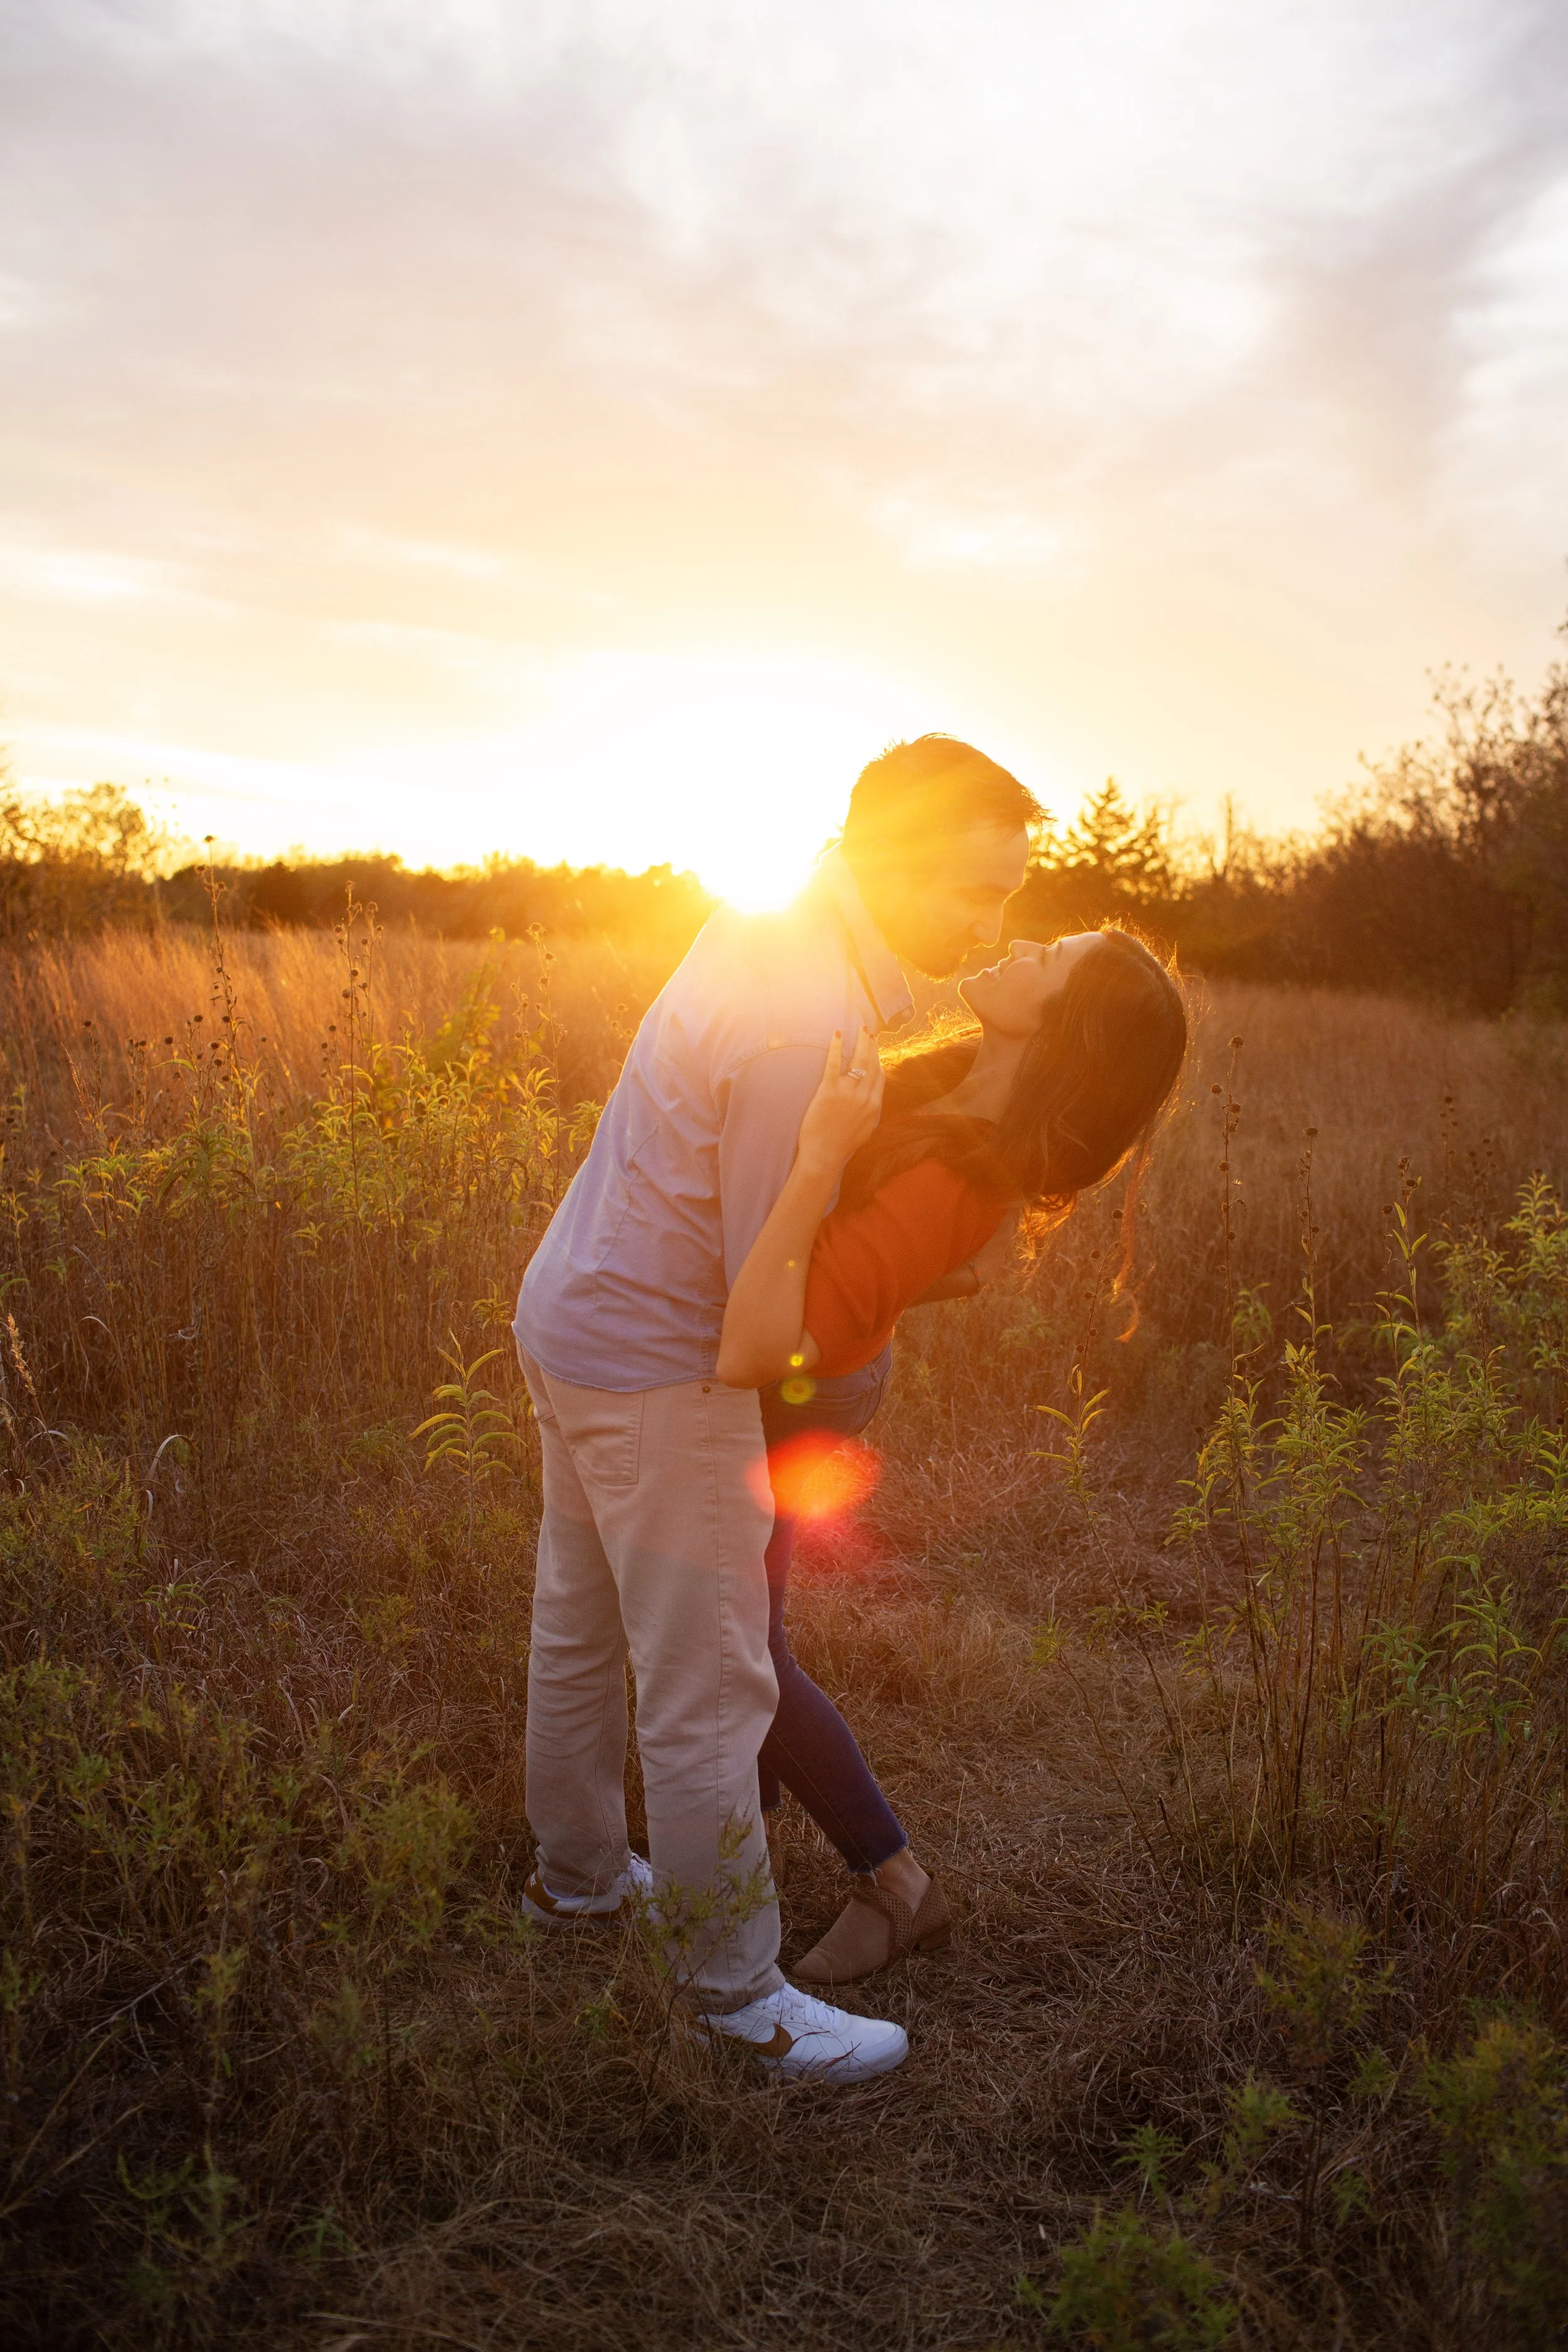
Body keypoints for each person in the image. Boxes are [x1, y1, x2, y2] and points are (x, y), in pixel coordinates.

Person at [511, 735, 1040, 2084]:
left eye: (1008, 901)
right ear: (885, 856)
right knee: (711, 1683)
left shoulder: (773, 927)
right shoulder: (810, 1016)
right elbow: (768, 1293)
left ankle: (577, 1880)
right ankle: (737, 2002)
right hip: (657, 1359)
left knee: (577, 1625)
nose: (987, 929)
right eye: (971, 892)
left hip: (571, 1313)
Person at [716, 926, 1189, 1983]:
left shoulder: (958, 1164)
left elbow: (796, 1332)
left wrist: (826, 1162)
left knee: (742, 1636)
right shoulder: (959, 1092)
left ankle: (897, 1884)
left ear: (1062, 1026)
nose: (1022, 940)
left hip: (806, 1389)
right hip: (836, 1364)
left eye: (1052, 955)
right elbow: (949, 1267)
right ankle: (739, 1814)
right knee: (744, 1616)